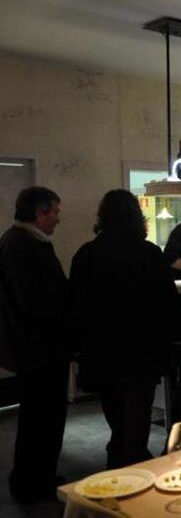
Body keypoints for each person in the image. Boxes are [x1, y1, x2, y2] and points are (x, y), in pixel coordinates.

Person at [70, 190, 177, 469]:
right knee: (138, 414)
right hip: (142, 350)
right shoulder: (149, 254)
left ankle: (119, 460)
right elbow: (167, 304)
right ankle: (135, 465)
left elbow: (77, 306)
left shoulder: (86, 255)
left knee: (115, 413)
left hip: (103, 349)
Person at [0, 187, 69, 502]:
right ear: (40, 213)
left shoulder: (16, 242)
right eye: (55, 211)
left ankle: (37, 477)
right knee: (42, 419)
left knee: (38, 418)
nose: (58, 218)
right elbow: (36, 303)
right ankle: (33, 482)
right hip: (40, 350)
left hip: (34, 349)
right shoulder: (23, 247)